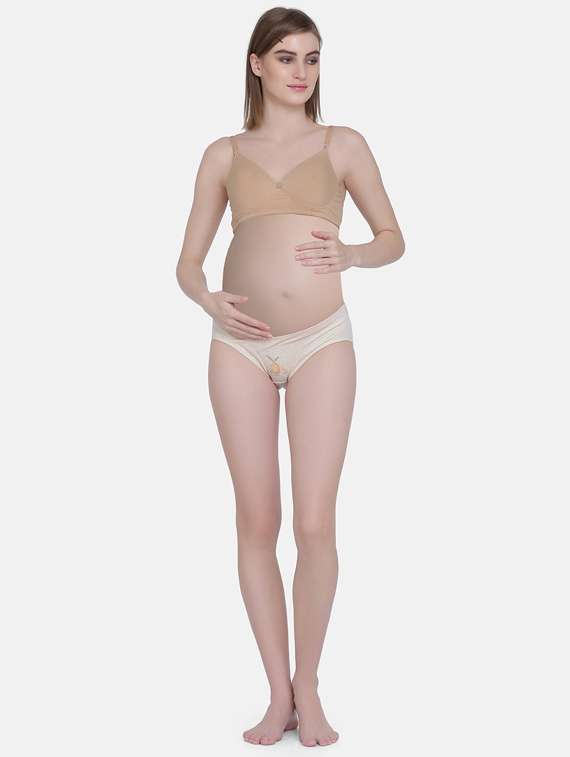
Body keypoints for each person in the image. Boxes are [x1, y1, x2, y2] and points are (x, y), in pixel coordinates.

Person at [175, 7, 405, 747]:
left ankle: (311, 683)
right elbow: (186, 262)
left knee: (314, 522)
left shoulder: (343, 144)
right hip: (238, 346)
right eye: (285, 58)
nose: (301, 72)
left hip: (320, 341)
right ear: (257, 65)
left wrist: (353, 254)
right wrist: (206, 297)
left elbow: (394, 237)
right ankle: (278, 691)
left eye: (312, 58)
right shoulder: (222, 153)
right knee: (257, 520)